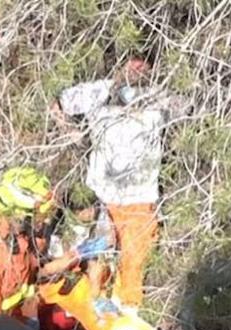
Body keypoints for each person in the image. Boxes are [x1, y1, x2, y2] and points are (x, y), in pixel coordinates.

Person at [54, 57, 189, 314]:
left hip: (141, 198)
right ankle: (89, 321)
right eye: (132, 62)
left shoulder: (160, 96)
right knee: (94, 263)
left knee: (135, 266)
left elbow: (193, 108)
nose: (136, 69)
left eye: (144, 64)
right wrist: (75, 137)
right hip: (100, 196)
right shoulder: (96, 92)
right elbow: (57, 103)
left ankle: (127, 323)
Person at [0, 166, 78, 330]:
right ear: (19, 214)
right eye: (35, 215)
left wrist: (52, 268)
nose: (41, 222)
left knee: (68, 313)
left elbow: (28, 272)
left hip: (19, 316)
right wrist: (31, 324)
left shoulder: (19, 238)